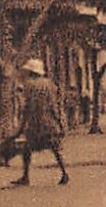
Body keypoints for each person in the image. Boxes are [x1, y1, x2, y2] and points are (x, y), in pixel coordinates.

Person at [12, 58, 69, 186]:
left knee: (27, 149)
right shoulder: (49, 85)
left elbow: (27, 107)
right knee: (55, 149)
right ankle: (64, 173)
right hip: (50, 122)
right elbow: (55, 105)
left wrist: (21, 126)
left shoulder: (29, 85)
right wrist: (60, 122)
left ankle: (25, 177)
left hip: (36, 123)